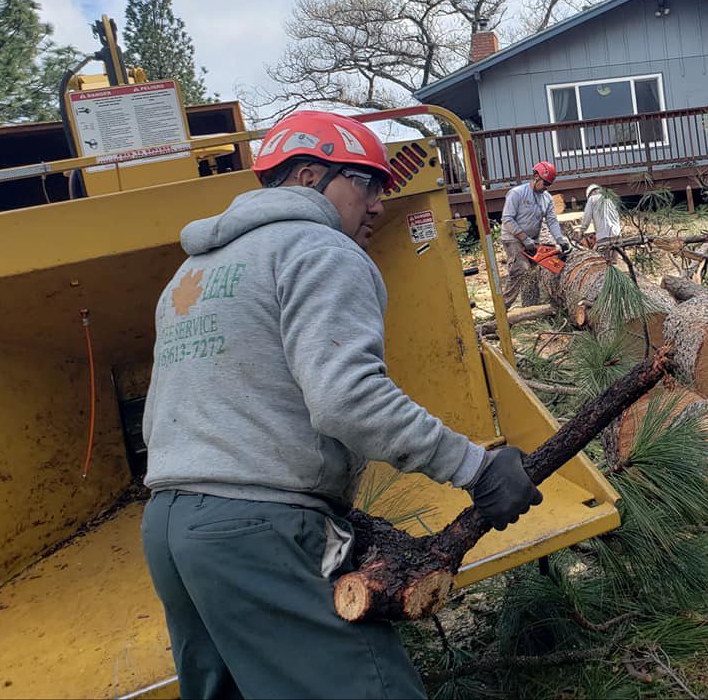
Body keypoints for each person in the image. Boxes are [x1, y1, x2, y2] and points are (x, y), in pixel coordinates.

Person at [140, 110, 543, 700]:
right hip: (257, 528)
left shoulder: (191, 272)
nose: (380, 203)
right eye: (366, 182)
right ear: (308, 176)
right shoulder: (320, 250)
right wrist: (476, 469)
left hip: (169, 528)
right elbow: (346, 399)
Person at [499, 161, 571, 309]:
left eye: (549, 185)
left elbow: (551, 220)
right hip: (513, 238)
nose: (546, 187)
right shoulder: (517, 193)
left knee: (533, 271)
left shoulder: (547, 198)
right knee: (521, 269)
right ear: (536, 176)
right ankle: (502, 309)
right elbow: (507, 218)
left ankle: (530, 306)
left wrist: (560, 239)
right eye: (545, 183)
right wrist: (524, 239)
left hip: (532, 240)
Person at [579, 183, 623, 263]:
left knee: (605, 263)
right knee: (615, 262)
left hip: (604, 237)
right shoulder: (610, 198)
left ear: (590, 194)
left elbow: (587, 217)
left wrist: (582, 230)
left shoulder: (592, 199)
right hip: (617, 236)